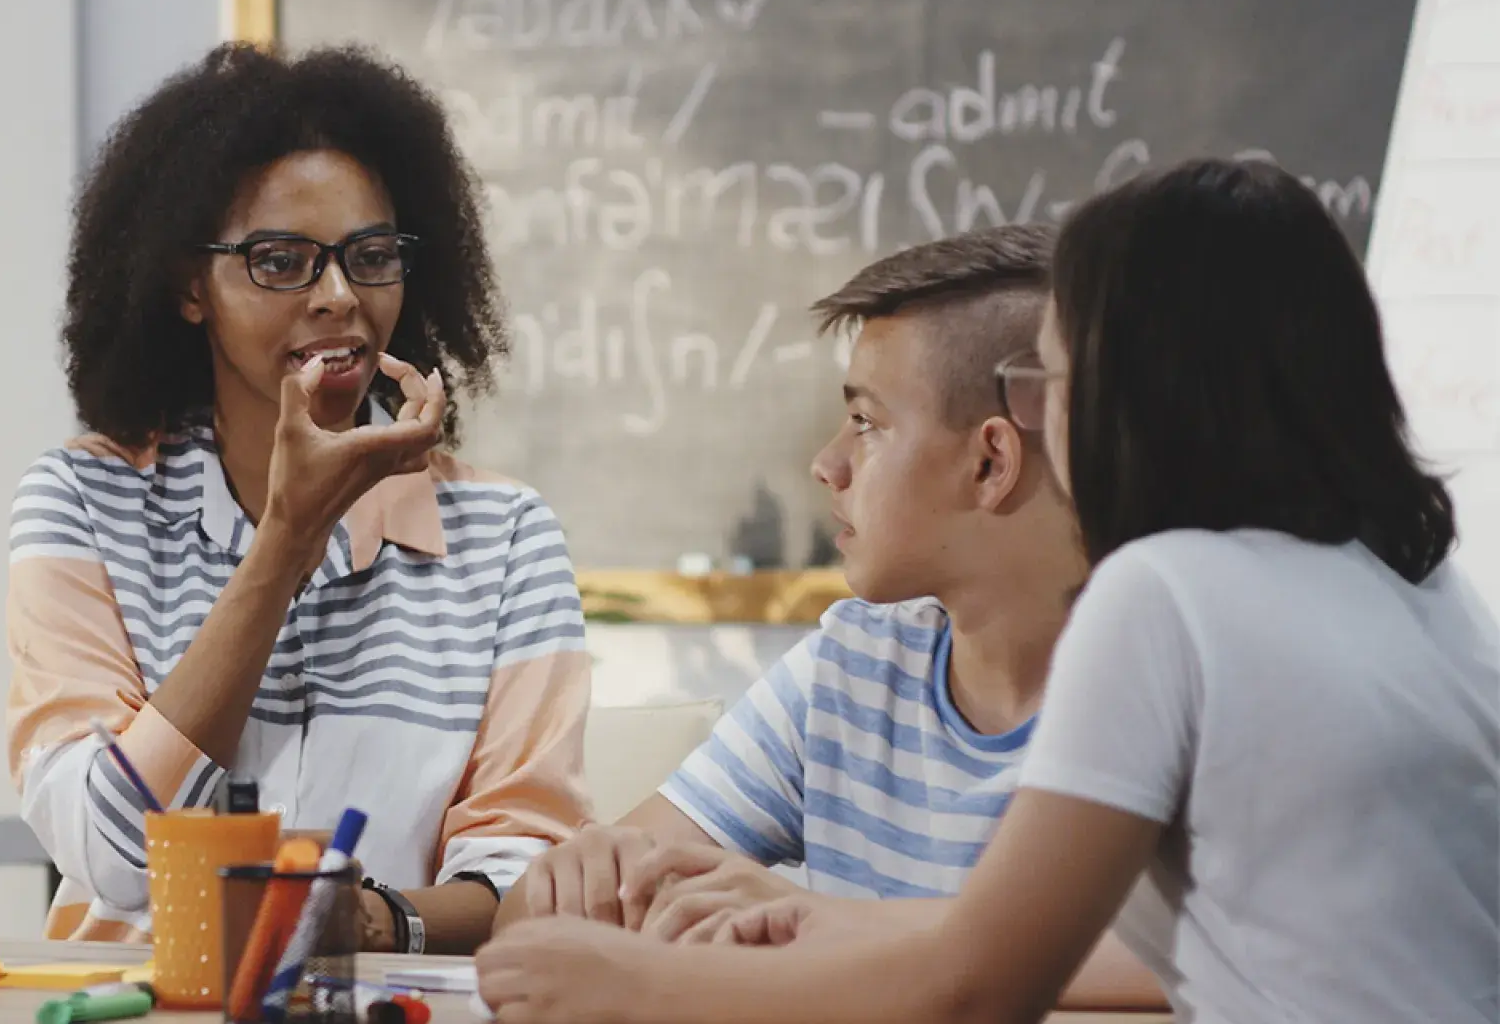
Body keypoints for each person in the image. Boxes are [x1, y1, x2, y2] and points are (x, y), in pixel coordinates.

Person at [477, 158, 1500, 1024]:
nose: (1052, 426)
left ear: (1143, 394)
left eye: (1060, 382)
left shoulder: (1166, 594)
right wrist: (812, 921)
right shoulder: (1413, 582)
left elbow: (976, 982)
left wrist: (648, 985)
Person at [5, 43, 594, 952]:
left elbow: (525, 877)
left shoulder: (506, 538)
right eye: (281, 260)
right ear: (188, 286)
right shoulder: (83, 501)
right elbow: (115, 854)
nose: (337, 296)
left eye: (371, 256)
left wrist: (374, 920)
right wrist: (286, 541)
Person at [495, 224, 1163, 1010]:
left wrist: (825, 924)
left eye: (868, 423)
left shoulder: (1164, 686)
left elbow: (1179, 958)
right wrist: (573, 883)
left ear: (990, 462)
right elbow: (526, 925)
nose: (827, 463)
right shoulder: (850, 667)